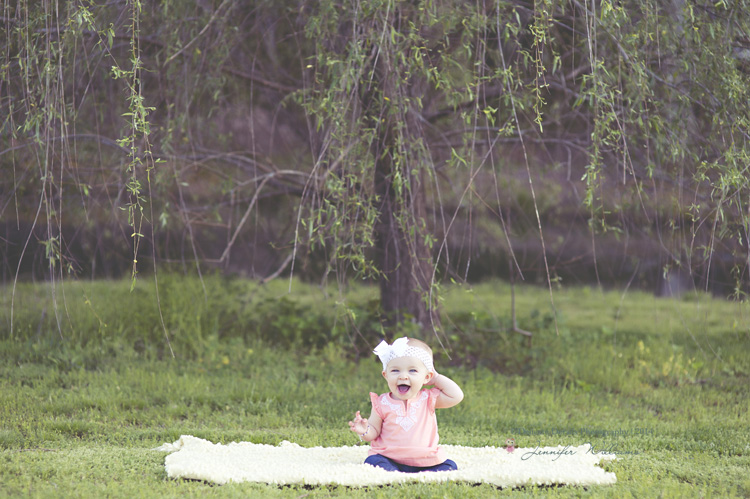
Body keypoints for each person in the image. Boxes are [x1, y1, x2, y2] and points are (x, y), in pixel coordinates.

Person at [348, 337, 464, 472]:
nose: (403, 376)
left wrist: (436, 378)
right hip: (389, 457)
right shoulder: (381, 403)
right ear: (386, 375)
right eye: (395, 371)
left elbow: (456, 395)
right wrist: (365, 431)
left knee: (449, 466)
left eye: (413, 371)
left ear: (427, 377)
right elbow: (373, 432)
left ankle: (419, 472)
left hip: (425, 459)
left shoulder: (428, 399)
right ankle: (394, 471)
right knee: (373, 461)